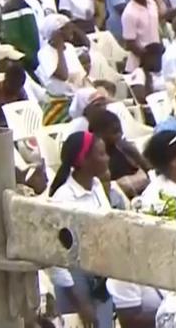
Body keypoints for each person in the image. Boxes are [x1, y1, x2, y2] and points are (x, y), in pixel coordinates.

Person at [47, 131, 121, 328]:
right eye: (101, 154)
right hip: (75, 281)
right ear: (84, 160)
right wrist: (80, 303)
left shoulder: (96, 186)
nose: (107, 158)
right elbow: (57, 258)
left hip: (99, 273)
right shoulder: (64, 199)